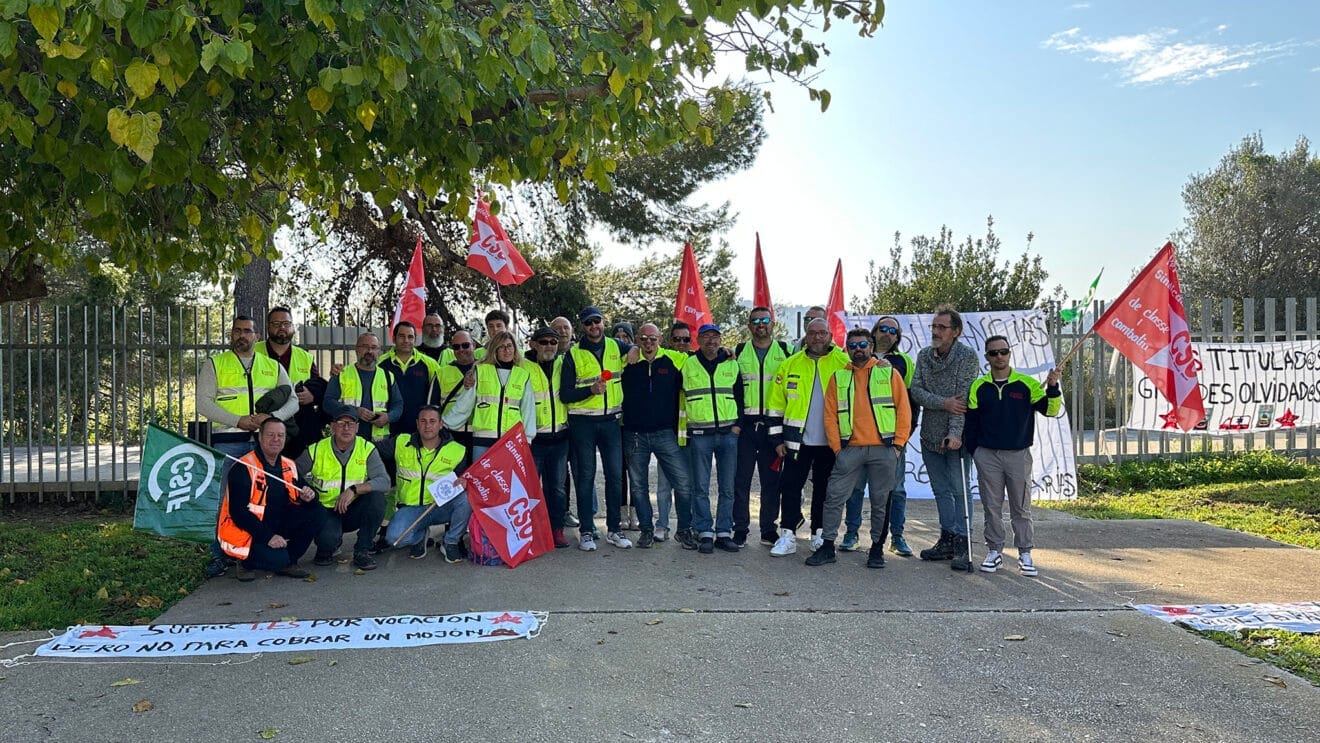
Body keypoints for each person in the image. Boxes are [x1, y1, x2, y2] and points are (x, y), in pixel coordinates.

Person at [196, 314, 298, 578]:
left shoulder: (272, 366)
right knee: (225, 500)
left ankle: (256, 547)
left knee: (266, 498)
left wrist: (272, 420)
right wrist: (238, 420)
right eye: (237, 331)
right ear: (231, 335)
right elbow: (203, 404)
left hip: (265, 444)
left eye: (248, 331)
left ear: (257, 336)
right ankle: (220, 555)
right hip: (229, 442)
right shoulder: (215, 364)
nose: (242, 335)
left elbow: (293, 401)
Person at [805, 328, 912, 568]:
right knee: (833, 498)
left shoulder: (889, 374)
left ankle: (876, 549)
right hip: (849, 450)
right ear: (847, 349)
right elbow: (830, 415)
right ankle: (827, 546)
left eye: (863, 344)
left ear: (871, 347)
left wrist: (898, 445)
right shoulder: (839, 377)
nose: (858, 349)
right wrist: (836, 448)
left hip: (883, 449)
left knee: (880, 500)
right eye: (852, 346)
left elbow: (904, 410)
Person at [961, 336, 1062, 576]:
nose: (999, 356)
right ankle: (994, 551)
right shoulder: (978, 386)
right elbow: (971, 422)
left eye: (1003, 352)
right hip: (988, 455)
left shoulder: (1026, 384)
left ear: (1009, 354)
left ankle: (1025, 552)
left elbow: (1050, 410)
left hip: (1018, 455)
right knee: (991, 506)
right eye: (993, 353)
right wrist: (975, 450)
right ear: (986, 357)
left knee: (1021, 506)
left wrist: (1052, 386)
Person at [767, 317, 849, 556]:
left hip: (830, 442)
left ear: (830, 336)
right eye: (812, 333)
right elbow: (775, 405)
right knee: (790, 487)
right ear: (806, 335)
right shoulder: (791, 364)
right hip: (796, 442)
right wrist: (777, 439)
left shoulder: (843, 363)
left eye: (822, 333)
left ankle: (819, 535)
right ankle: (788, 535)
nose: (817, 337)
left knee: (824, 490)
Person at [908, 304, 981, 562]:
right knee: (940, 490)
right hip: (930, 435)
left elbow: (961, 401)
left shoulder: (967, 357)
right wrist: (942, 402)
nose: (936, 331)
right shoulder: (924, 356)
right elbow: (916, 391)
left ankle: (963, 542)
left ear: (956, 331)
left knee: (960, 490)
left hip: (956, 437)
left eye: (942, 327)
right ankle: (947, 538)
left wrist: (955, 434)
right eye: (934, 326)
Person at [840, 315, 917, 556]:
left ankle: (897, 536)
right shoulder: (852, 359)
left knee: (896, 489)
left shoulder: (904, 362)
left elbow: (910, 403)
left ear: (898, 337)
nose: (887, 333)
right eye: (882, 328)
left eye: (892, 331)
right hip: (856, 439)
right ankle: (852, 533)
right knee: (854, 488)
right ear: (873, 333)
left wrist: (902, 439)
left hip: (889, 442)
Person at [559, 305, 632, 551]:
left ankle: (614, 529)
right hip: (583, 423)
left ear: (603, 322)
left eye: (597, 321)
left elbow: (642, 349)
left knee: (614, 476)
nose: (594, 326)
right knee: (586, 477)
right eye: (589, 323)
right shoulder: (573, 354)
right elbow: (566, 395)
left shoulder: (616, 345)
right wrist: (590, 390)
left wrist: (634, 349)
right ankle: (587, 531)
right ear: (582, 326)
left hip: (611, 422)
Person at [217, 418, 326, 581]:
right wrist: (268, 537)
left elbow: (307, 494)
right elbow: (238, 513)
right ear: (260, 437)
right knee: (277, 560)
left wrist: (309, 496)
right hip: (249, 531)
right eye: (271, 435)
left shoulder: (288, 464)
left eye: (280, 435)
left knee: (317, 511)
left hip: (277, 523)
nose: (276, 439)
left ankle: (289, 561)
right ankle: (245, 562)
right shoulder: (244, 467)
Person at [621, 323, 694, 549]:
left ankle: (684, 530)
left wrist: (726, 352)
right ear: (638, 341)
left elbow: (702, 356)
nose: (648, 343)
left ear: (660, 340)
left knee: (683, 484)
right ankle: (646, 530)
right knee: (638, 487)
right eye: (643, 339)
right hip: (634, 434)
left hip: (664, 433)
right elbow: (610, 344)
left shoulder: (674, 359)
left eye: (653, 339)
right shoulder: (627, 361)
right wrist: (631, 348)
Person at [680, 323, 745, 554]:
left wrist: (738, 427)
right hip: (700, 435)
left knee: (727, 487)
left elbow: (740, 397)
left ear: (721, 340)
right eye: (706, 337)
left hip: (729, 435)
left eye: (715, 337)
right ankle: (705, 532)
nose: (711, 341)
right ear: (698, 340)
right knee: (700, 487)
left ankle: (724, 532)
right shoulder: (687, 364)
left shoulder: (731, 363)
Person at [299, 412, 391, 571]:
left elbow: (384, 482)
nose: (346, 428)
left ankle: (362, 550)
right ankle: (329, 546)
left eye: (351, 424)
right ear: (332, 426)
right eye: (341, 423)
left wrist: (354, 489)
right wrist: (305, 490)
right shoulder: (316, 449)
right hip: (326, 510)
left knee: (377, 499)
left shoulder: (367, 448)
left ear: (357, 428)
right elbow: (293, 475)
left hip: (352, 509)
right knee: (327, 541)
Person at [380, 406, 471, 564]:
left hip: (439, 507)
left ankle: (450, 541)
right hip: (410, 509)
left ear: (441, 424)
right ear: (417, 424)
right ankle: (419, 538)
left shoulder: (457, 450)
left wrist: (464, 482)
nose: (427, 426)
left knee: (465, 499)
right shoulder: (401, 442)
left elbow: (464, 480)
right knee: (394, 538)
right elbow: (371, 452)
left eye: (432, 421)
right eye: (423, 421)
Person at [733, 306, 790, 547]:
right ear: (749, 326)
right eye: (755, 321)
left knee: (771, 482)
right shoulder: (738, 351)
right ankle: (740, 530)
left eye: (765, 320)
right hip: (746, 428)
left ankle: (768, 529)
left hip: (773, 429)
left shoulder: (785, 351)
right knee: (741, 481)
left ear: (772, 323)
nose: (760, 325)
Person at [255, 306, 327, 459]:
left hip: (297, 426)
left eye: (286, 324)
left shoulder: (305, 357)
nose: (282, 328)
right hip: (262, 423)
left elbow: (317, 384)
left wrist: (311, 394)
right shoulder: (254, 352)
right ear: (267, 326)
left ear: (292, 326)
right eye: (276, 324)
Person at [454, 331, 536, 460]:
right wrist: (446, 422)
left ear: (515, 348)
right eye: (501, 347)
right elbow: (465, 402)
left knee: (504, 480)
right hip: (482, 439)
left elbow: (528, 410)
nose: (506, 350)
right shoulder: (481, 370)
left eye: (509, 346)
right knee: (481, 479)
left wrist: (528, 439)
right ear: (495, 350)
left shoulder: (523, 375)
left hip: (510, 441)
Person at [525, 326, 573, 548]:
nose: (549, 346)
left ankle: (556, 529)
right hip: (534, 439)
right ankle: (533, 530)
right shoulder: (522, 366)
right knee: (531, 488)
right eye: (543, 342)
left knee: (557, 488)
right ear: (533, 344)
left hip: (560, 437)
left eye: (553, 342)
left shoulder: (564, 363)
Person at [323, 333, 403, 442]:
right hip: (346, 442)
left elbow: (398, 404)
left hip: (378, 443)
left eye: (374, 347)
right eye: (365, 346)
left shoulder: (388, 376)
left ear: (379, 351)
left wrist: (388, 417)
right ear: (356, 349)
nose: (369, 351)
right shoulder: (341, 374)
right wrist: (355, 411)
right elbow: (327, 403)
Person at [652, 321, 692, 535]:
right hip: (667, 431)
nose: (681, 343)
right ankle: (663, 524)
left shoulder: (696, 360)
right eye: (677, 339)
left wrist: (726, 351)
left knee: (690, 485)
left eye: (686, 339)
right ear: (669, 341)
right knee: (664, 484)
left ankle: (688, 525)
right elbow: (641, 348)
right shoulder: (661, 359)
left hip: (692, 432)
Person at [379, 321, 442, 436]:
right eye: (401, 336)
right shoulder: (381, 363)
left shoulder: (430, 364)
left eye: (410, 337)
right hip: (388, 429)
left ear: (415, 339)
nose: (406, 341)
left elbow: (442, 390)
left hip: (420, 430)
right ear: (393, 339)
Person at [435, 330, 479, 470]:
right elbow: (432, 407)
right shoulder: (441, 373)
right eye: (456, 347)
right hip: (451, 435)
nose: (461, 350)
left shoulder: (485, 370)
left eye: (465, 345)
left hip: (479, 435)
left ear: (474, 345)